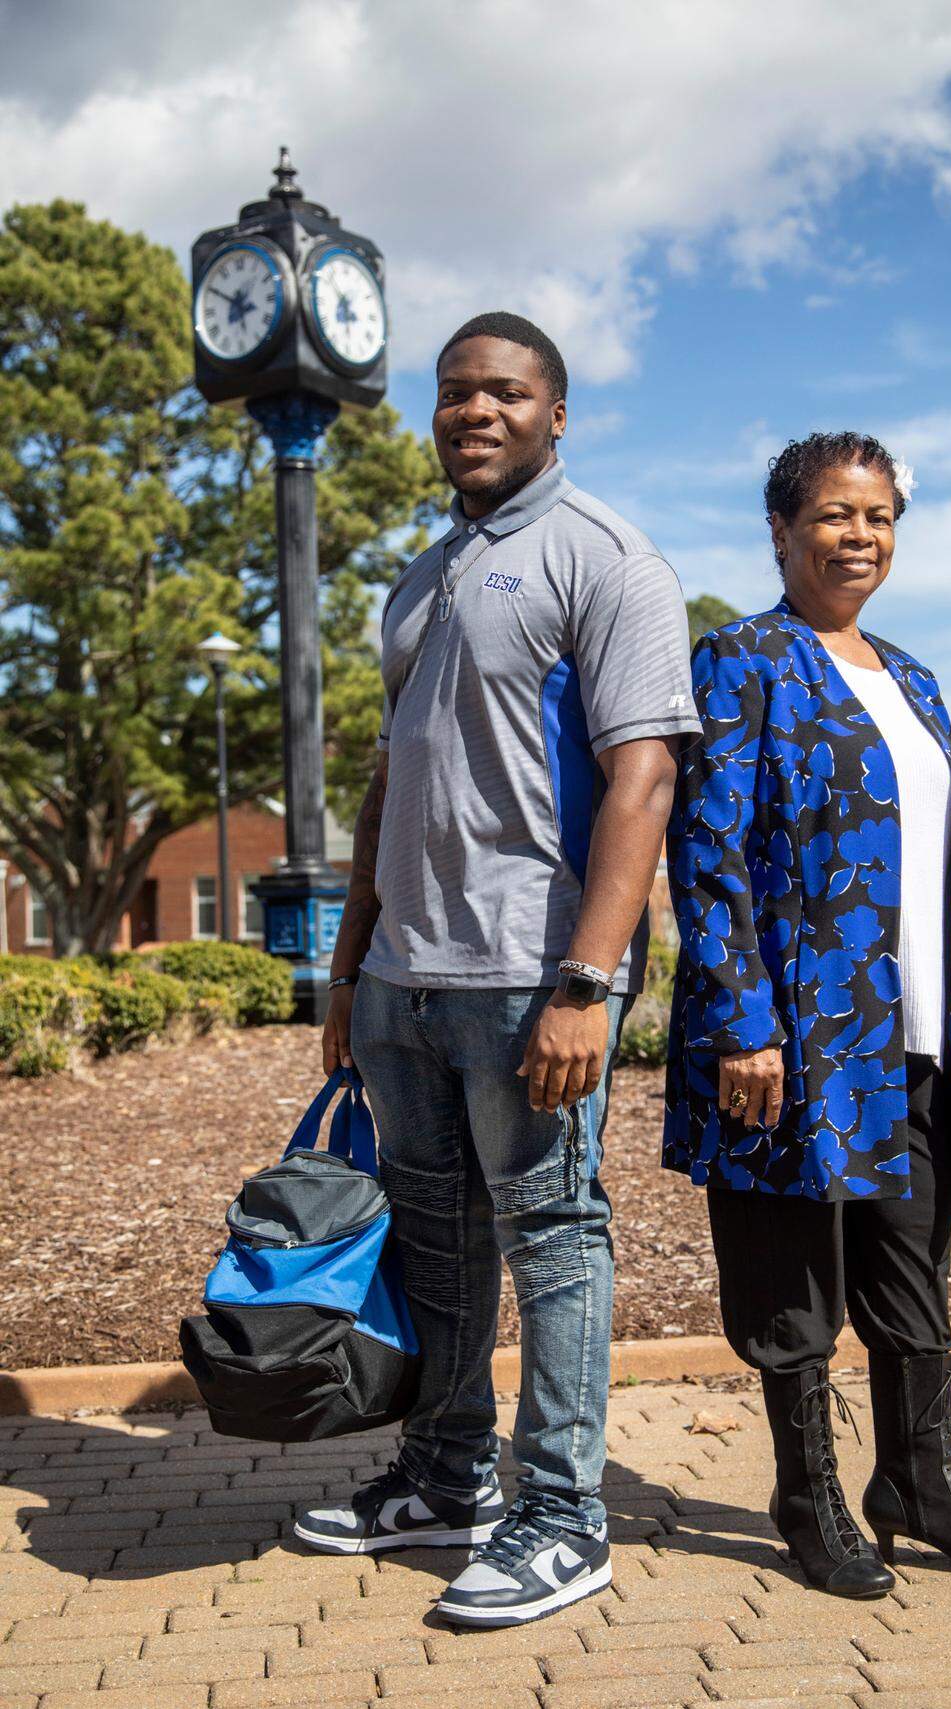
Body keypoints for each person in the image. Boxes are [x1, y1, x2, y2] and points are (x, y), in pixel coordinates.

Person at [294, 312, 701, 1626]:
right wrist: (351, 966)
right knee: (437, 1238)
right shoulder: (416, 580)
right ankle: (447, 1475)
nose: (474, 411)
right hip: (404, 980)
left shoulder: (608, 560)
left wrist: (592, 980)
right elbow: (387, 778)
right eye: (454, 393)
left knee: (554, 1238)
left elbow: (645, 775)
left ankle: (561, 1517)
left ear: (556, 413)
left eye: (504, 393)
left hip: (534, 973)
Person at [664, 432, 951, 1598]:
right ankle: (807, 1496)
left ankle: (920, 1484)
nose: (860, 534)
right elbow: (710, 847)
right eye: (835, 513)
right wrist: (744, 1023)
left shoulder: (916, 675)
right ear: (781, 530)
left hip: (918, 1035)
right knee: (793, 1277)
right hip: (800, 1039)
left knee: (910, 1269)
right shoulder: (742, 659)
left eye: (878, 515)